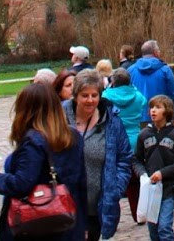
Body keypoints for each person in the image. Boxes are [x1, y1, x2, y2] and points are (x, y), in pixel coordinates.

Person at [0, 84, 86, 241]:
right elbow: (81, 184)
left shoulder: (34, 141)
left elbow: (21, 184)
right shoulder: (73, 136)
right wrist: (83, 224)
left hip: (38, 222)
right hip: (68, 219)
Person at [64, 71, 131, 241]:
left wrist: (115, 188)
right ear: (75, 96)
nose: (90, 100)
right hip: (64, 205)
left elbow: (123, 158)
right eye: (84, 95)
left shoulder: (112, 121)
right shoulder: (60, 117)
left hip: (97, 206)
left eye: (94, 95)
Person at [131, 96, 174, 241]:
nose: (153, 111)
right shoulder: (144, 135)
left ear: (167, 111)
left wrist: (163, 173)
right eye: (152, 107)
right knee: (153, 230)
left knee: (164, 228)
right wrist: (142, 174)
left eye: (158, 107)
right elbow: (136, 159)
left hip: (168, 189)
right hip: (150, 191)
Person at [101, 72, 147, 225]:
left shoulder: (107, 96)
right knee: (135, 181)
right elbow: (143, 100)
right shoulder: (137, 96)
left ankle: (112, 217)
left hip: (115, 141)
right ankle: (139, 214)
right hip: (134, 140)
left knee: (113, 182)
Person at [126, 44, 174, 118]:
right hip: (161, 116)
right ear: (155, 52)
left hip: (136, 117)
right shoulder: (165, 70)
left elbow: (126, 92)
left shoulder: (130, 70)